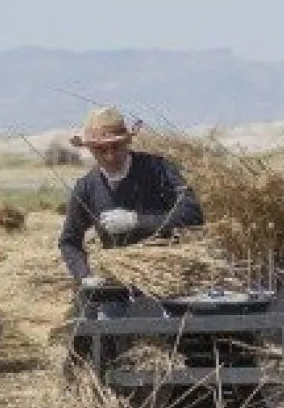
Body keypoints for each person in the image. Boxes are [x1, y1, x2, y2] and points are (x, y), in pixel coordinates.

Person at [58, 106, 204, 286]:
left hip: (169, 277)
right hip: (117, 281)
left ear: (128, 142)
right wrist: (84, 275)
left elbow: (193, 214)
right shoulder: (86, 187)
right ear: (90, 149)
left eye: (116, 146)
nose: (110, 156)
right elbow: (69, 241)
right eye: (101, 149)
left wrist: (136, 221)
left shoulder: (158, 169)